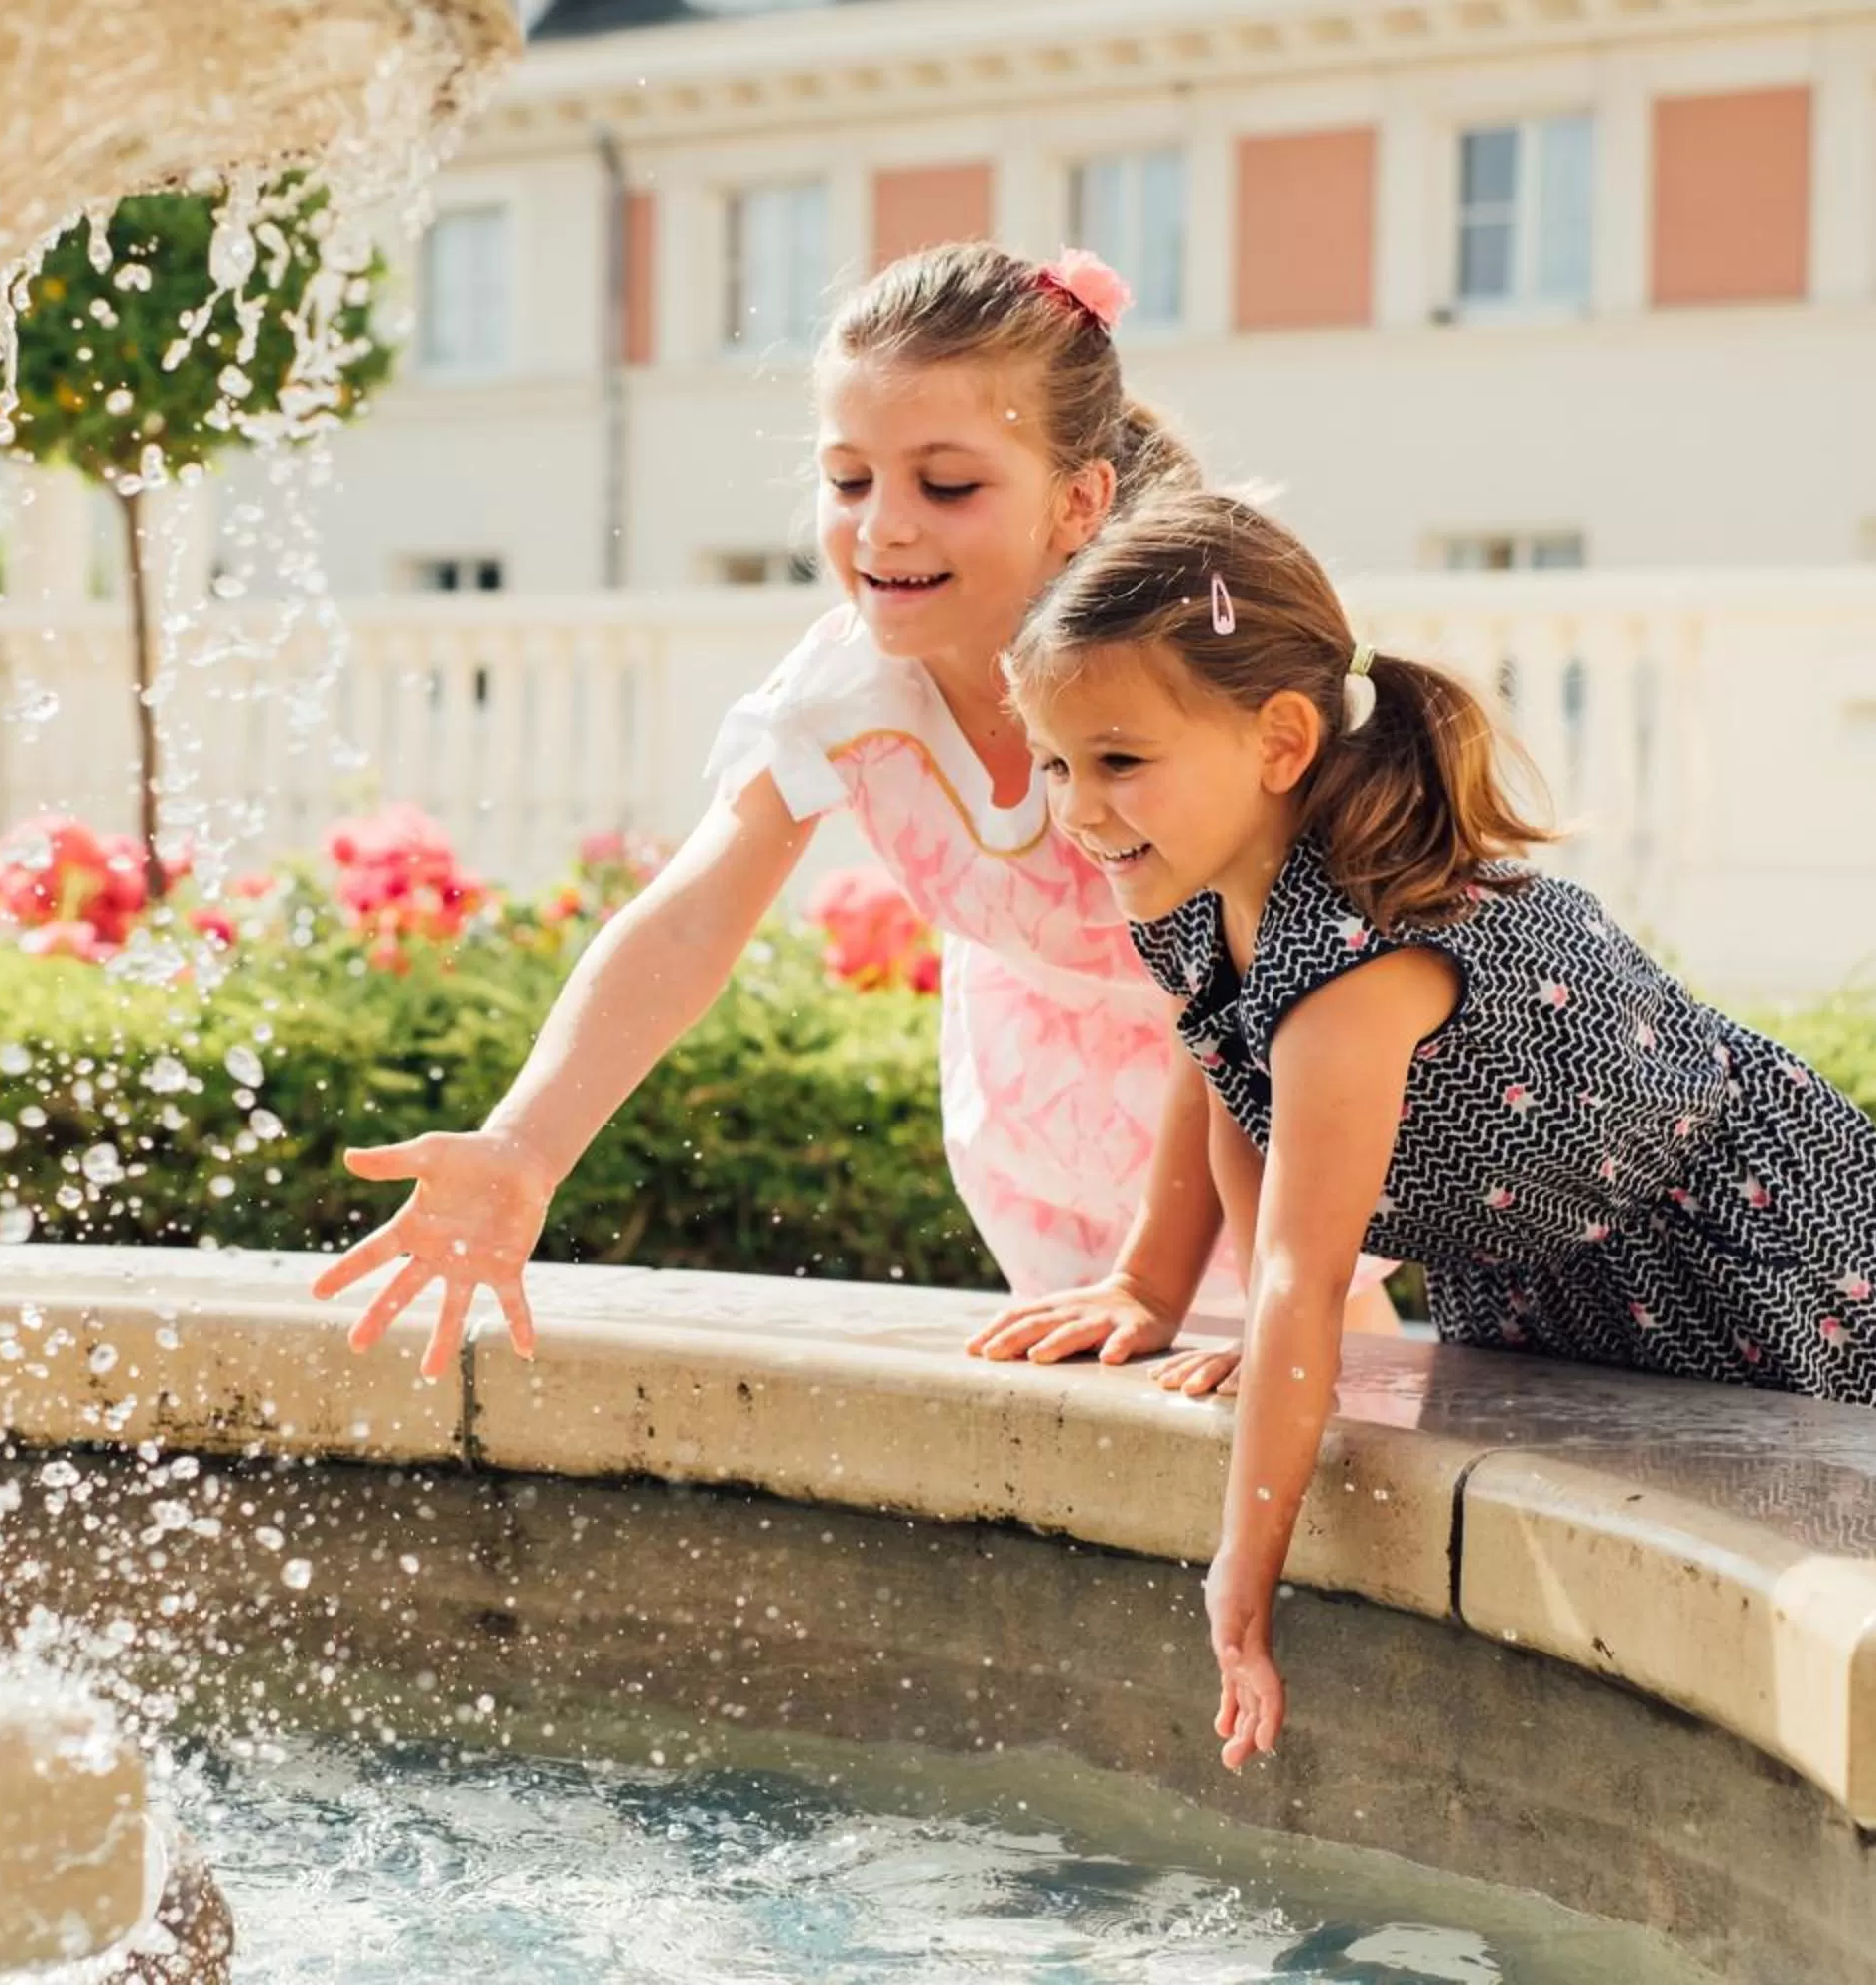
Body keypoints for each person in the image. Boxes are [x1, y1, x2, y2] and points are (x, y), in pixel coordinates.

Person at [1002, 485, 1876, 1768]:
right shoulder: (1195, 905)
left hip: (1751, 1241)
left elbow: (1303, 1276)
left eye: (1120, 761)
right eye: (1056, 762)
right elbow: (1234, 1081)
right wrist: (1167, 1289)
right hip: (1552, 1270)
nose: (1077, 807)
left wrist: (1244, 1566)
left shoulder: (1358, 962)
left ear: (1281, 739)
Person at [310, 240, 1393, 1379]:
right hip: (1035, 1114)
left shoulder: (1166, 680)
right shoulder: (849, 690)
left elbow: (1230, 986)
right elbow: (686, 923)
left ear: (1078, 500)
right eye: (848, 479)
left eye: (948, 484)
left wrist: (1158, 1269)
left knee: (1337, 1410)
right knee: (1107, 1424)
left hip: (1258, 1097)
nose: (883, 525)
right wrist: (523, 1147)